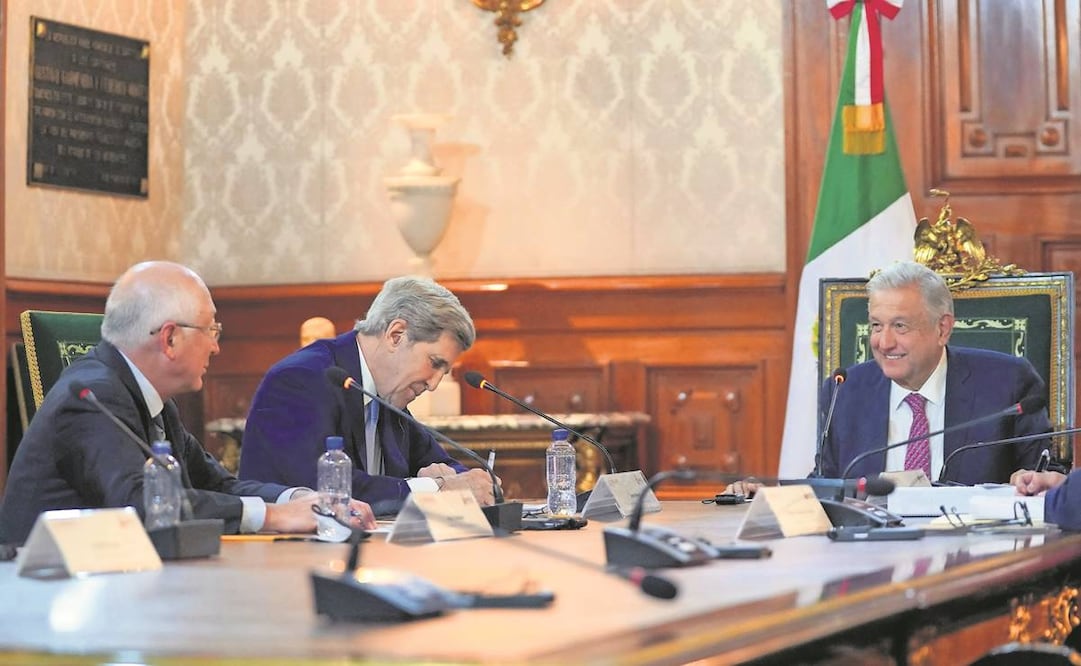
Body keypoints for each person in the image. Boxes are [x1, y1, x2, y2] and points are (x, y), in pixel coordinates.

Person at [0, 261, 376, 546]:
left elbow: (217, 484)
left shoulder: (153, 398)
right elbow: (144, 504)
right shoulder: (92, 397)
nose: (216, 345)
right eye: (211, 329)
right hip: (48, 599)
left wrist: (303, 499)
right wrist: (275, 516)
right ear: (170, 339)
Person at [728, 261, 1049, 496]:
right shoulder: (846, 390)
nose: (884, 342)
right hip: (869, 556)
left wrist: (1031, 479)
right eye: (876, 326)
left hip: (973, 556)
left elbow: (1044, 475)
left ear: (942, 328)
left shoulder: (1007, 383)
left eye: (900, 326)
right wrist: (769, 498)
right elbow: (827, 485)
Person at [238, 276, 495, 515]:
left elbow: (442, 465)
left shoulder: (389, 392)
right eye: (434, 363)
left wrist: (469, 481)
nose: (434, 384)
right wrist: (437, 487)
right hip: (292, 556)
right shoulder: (301, 379)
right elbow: (328, 492)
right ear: (396, 335)